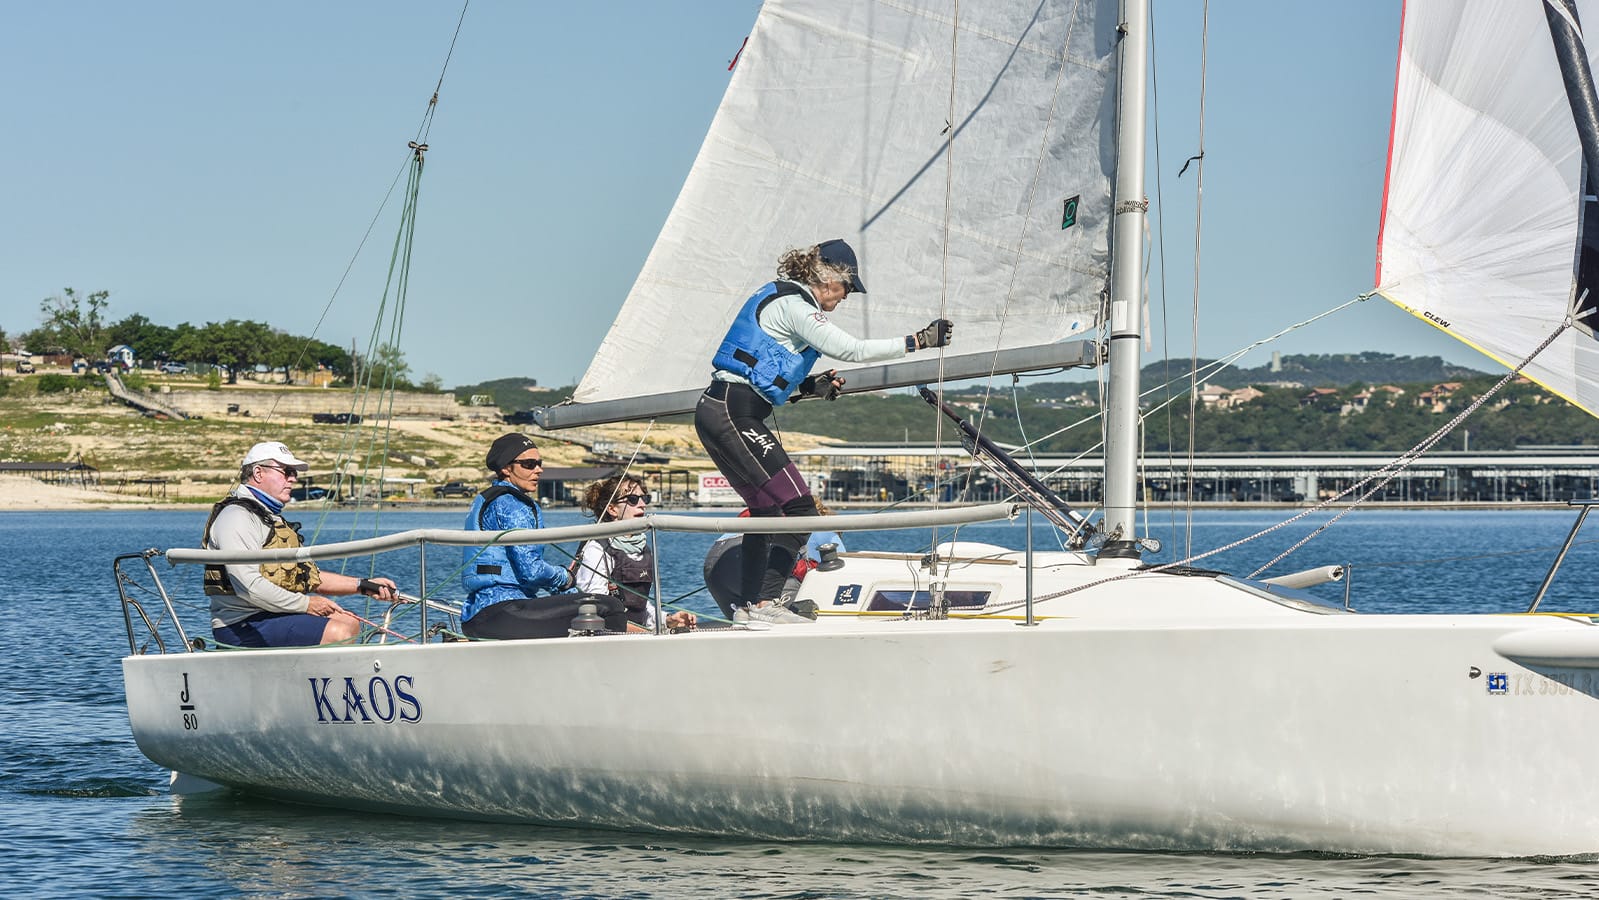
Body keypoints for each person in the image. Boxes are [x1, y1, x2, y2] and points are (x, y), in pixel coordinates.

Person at [694, 238, 951, 623]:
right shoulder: (796, 306)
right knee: (800, 509)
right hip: (733, 412)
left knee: (766, 512)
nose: (847, 296)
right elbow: (851, 349)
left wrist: (806, 387)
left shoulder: (785, 305)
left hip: (719, 409)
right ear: (829, 277)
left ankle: (750, 607)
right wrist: (919, 341)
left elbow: (758, 374)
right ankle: (766, 604)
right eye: (848, 287)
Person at [203, 441, 399, 648]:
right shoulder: (237, 517)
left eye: (294, 473)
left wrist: (363, 586)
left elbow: (308, 578)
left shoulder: (268, 517)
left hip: (272, 616)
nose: (293, 479)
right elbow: (248, 586)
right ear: (258, 473)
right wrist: (306, 604)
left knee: (349, 621)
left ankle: (324, 679)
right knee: (338, 632)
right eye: (286, 471)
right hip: (241, 625)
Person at [460, 433, 629, 640]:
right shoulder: (513, 505)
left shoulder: (491, 500)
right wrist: (565, 578)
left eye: (539, 463)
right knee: (609, 606)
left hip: (478, 614)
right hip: (503, 612)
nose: (538, 470)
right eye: (529, 464)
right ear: (506, 468)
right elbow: (531, 572)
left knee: (586, 605)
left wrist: (569, 592)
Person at [572, 474, 697, 632]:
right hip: (607, 638)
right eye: (632, 499)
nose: (642, 505)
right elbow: (596, 612)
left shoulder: (643, 549)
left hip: (637, 637)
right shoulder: (597, 549)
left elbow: (641, 609)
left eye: (645, 498)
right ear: (612, 509)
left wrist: (669, 620)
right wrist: (646, 634)